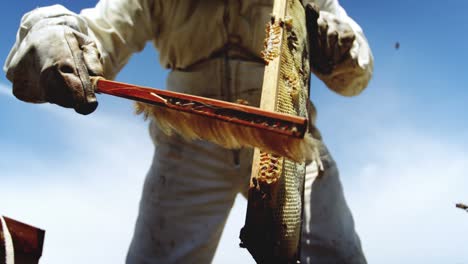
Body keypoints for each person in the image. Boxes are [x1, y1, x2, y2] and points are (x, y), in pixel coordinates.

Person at [4, 0, 373, 263]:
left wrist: (342, 46)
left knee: (335, 253)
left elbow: (356, 74)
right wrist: (59, 37)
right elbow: (103, 31)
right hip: (188, 138)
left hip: (287, 136)